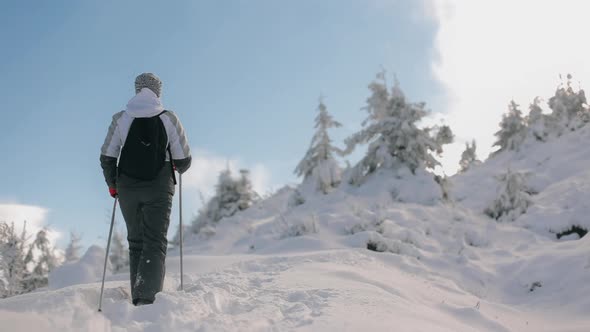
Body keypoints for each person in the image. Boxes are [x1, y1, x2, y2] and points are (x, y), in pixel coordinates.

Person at [100, 73, 191, 306]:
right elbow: (183, 160)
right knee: (154, 241)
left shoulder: (120, 118)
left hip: (127, 187)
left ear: (136, 89)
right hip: (159, 186)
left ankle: (138, 295)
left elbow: (108, 156)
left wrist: (114, 185)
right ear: (158, 91)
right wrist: (174, 163)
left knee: (136, 241)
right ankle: (147, 299)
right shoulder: (169, 118)